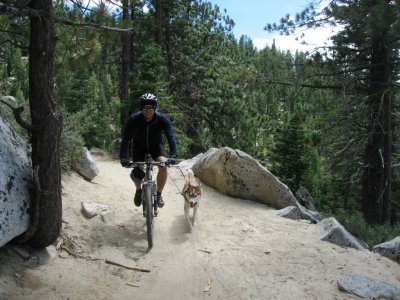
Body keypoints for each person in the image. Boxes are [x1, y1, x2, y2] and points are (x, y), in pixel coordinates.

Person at [119, 93, 177, 208]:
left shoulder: (162, 119)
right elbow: (126, 139)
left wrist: (173, 155)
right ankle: (138, 190)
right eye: (145, 107)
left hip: (156, 147)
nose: (148, 110)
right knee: (137, 171)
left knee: (163, 165)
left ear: (155, 108)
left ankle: (159, 194)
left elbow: (171, 137)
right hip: (139, 147)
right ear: (141, 108)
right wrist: (123, 157)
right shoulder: (134, 119)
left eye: (151, 107)